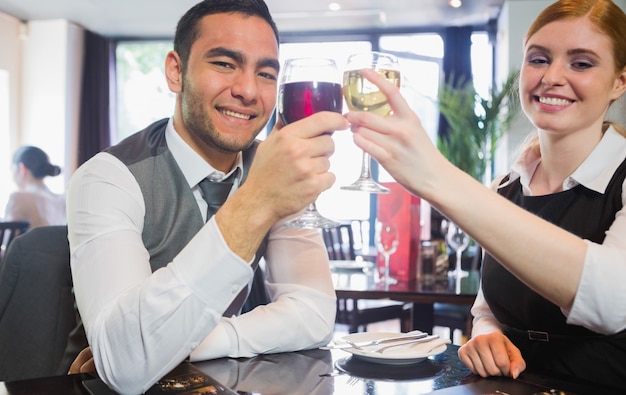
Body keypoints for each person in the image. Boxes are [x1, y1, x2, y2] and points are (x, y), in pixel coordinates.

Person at [344, 0, 626, 391]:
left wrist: (437, 177)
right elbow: (488, 307)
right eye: (539, 59)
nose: (552, 77)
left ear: (620, 81)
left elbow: (614, 302)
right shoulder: (505, 187)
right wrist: (487, 332)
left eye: (581, 63)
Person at [66, 0, 346, 393]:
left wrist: (192, 342)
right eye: (224, 64)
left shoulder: (274, 167)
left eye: (265, 73)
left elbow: (314, 313)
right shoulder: (108, 177)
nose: (248, 90)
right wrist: (256, 202)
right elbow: (125, 365)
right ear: (176, 71)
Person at [3, 145, 66, 228]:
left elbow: (7, 236)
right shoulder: (63, 199)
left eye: (13, 169)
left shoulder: (19, 198)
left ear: (22, 168)